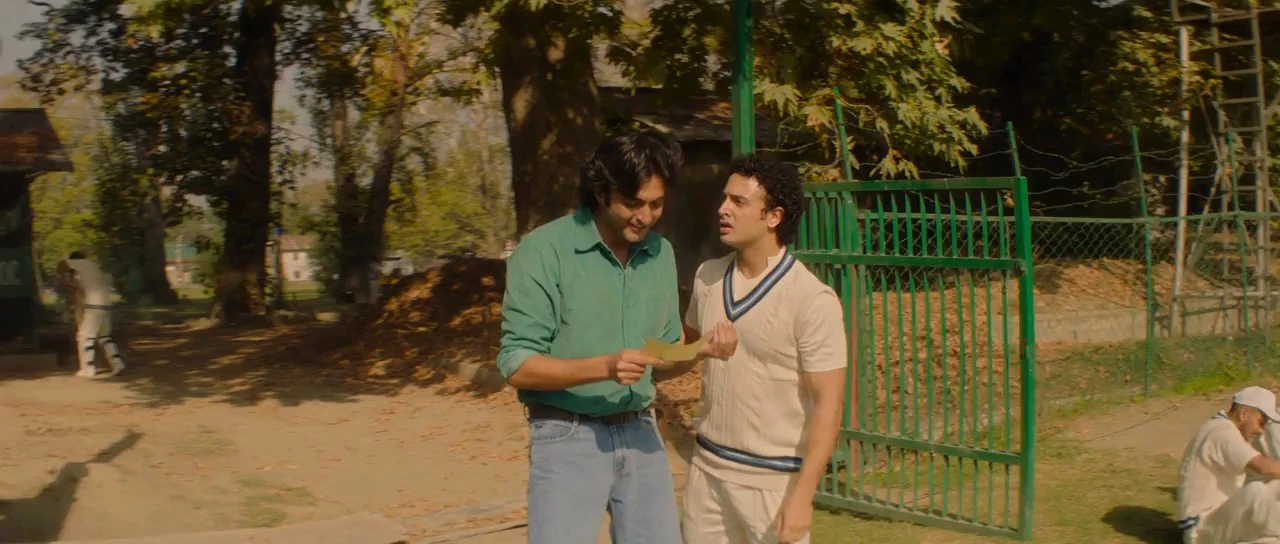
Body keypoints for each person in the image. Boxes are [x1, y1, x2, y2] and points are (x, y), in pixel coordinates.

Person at [497, 129, 735, 544]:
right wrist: (604, 367)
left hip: (641, 431)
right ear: (601, 191)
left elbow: (660, 363)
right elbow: (517, 365)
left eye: (656, 204)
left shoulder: (660, 254)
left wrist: (699, 352)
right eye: (632, 203)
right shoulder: (543, 251)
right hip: (566, 435)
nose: (645, 216)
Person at [671, 155, 848, 544]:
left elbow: (829, 404)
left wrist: (803, 496)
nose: (723, 209)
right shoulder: (707, 277)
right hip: (707, 472)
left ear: (774, 216)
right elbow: (685, 351)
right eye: (725, 198)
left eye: (739, 201)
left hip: (773, 482)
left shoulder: (812, 299)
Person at [1177, 385, 1280, 544]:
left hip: (1219, 522)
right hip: (1200, 528)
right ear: (1243, 413)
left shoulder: (1225, 429)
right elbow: (1265, 467)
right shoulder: (1221, 431)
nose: (1261, 430)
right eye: (1261, 422)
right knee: (1257, 490)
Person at [55, 251, 125, 378]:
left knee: (85, 337)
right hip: (106, 305)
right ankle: (117, 364)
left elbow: (61, 265)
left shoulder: (81, 264)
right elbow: (81, 290)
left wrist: (63, 280)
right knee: (104, 337)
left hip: (93, 306)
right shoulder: (93, 269)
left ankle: (88, 368)